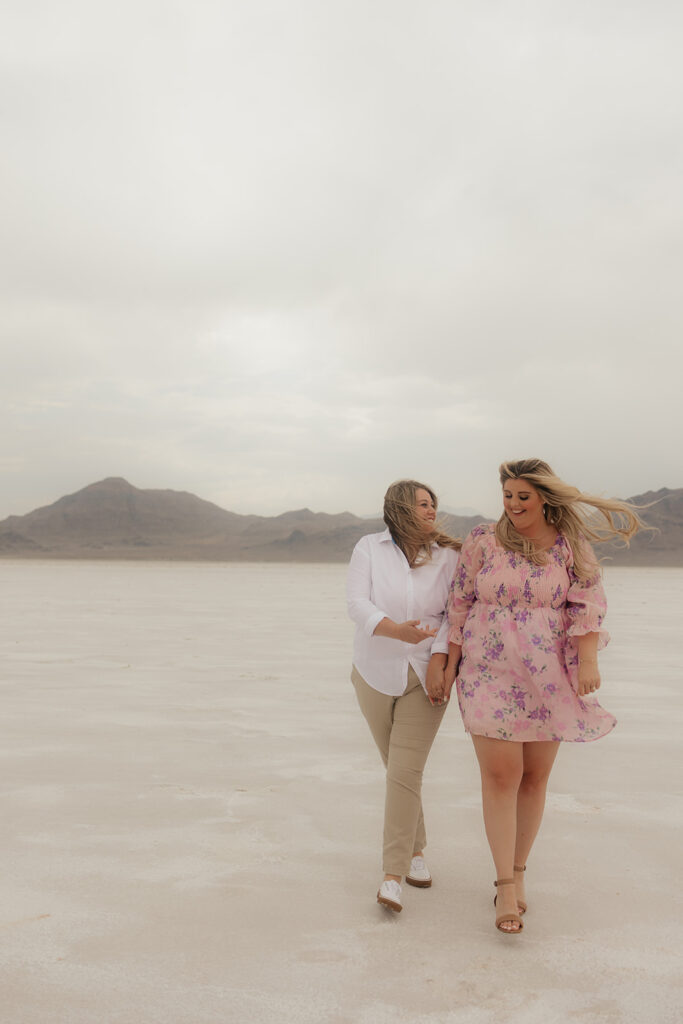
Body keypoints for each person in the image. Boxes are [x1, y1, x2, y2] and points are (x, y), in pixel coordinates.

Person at [432, 459, 646, 934]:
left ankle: (521, 871)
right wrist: (447, 662)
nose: (512, 505)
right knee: (501, 773)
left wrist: (588, 660)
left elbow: (587, 602)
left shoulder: (570, 547)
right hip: (487, 671)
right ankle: (504, 884)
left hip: (548, 675)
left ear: (544, 498)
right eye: (507, 495)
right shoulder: (484, 540)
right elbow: (461, 601)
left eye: (522, 497)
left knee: (534, 776)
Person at [346, 480, 461, 913]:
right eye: (423, 504)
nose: (431, 510)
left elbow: (455, 613)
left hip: (425, 677)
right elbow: (356, 603)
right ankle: (417, 848)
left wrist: (437, 657)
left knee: (404, 772)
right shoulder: (369, 549)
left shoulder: (448, 555)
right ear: (400, 508)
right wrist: (396, 630)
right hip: (373, 673)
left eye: (434, 504)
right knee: (397, 770)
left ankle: (392, 876)